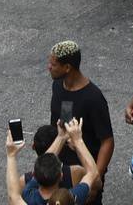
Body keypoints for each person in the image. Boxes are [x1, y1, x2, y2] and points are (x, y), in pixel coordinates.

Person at [49, 40, 116, 194]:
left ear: (67, 68)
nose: (49, 67)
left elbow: (107, 141)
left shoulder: (93, 98)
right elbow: (64, 118)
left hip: (85, 172)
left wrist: (95, 177)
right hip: (61, 172)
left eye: (53, 64)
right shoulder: (58, 86)